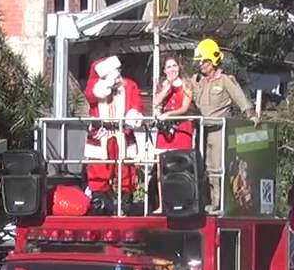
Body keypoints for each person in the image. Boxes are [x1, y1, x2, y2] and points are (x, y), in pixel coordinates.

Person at [189, 38, 258, 213]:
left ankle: (218, 202)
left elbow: (240, 98)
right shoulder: (197, 80)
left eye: (204, 61)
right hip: (202, 131)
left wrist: (250, 113)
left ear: (213, 60)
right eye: (200, 62)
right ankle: (204, 200)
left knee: (217, 166)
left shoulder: (225, 80)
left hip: (219, 131)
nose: (201, 65)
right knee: (202, 167)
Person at [83, 55, 142, 207]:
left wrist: (133, 115)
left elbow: (136, 105)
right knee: (98, 166)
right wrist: (106, 85)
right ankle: (101, 201)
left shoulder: (129, 85)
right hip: (101, 132)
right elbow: (91, 95)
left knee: (126, 167)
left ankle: (125, 201)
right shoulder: (96, 87)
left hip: (123, 131)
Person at [152, 56, 195, 214]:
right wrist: (167, 86)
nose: (172, 70)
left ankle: (183, 202)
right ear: (164, 70)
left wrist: (169, 115)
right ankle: (163, 204)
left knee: (182, 166)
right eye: (168, 67)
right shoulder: (163, 85)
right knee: (161, 167)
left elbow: (184, 108)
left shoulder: (187, 84)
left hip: (181, 128)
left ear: (179, 67)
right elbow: (156, 102)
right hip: (165, 131)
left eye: (174, 66)